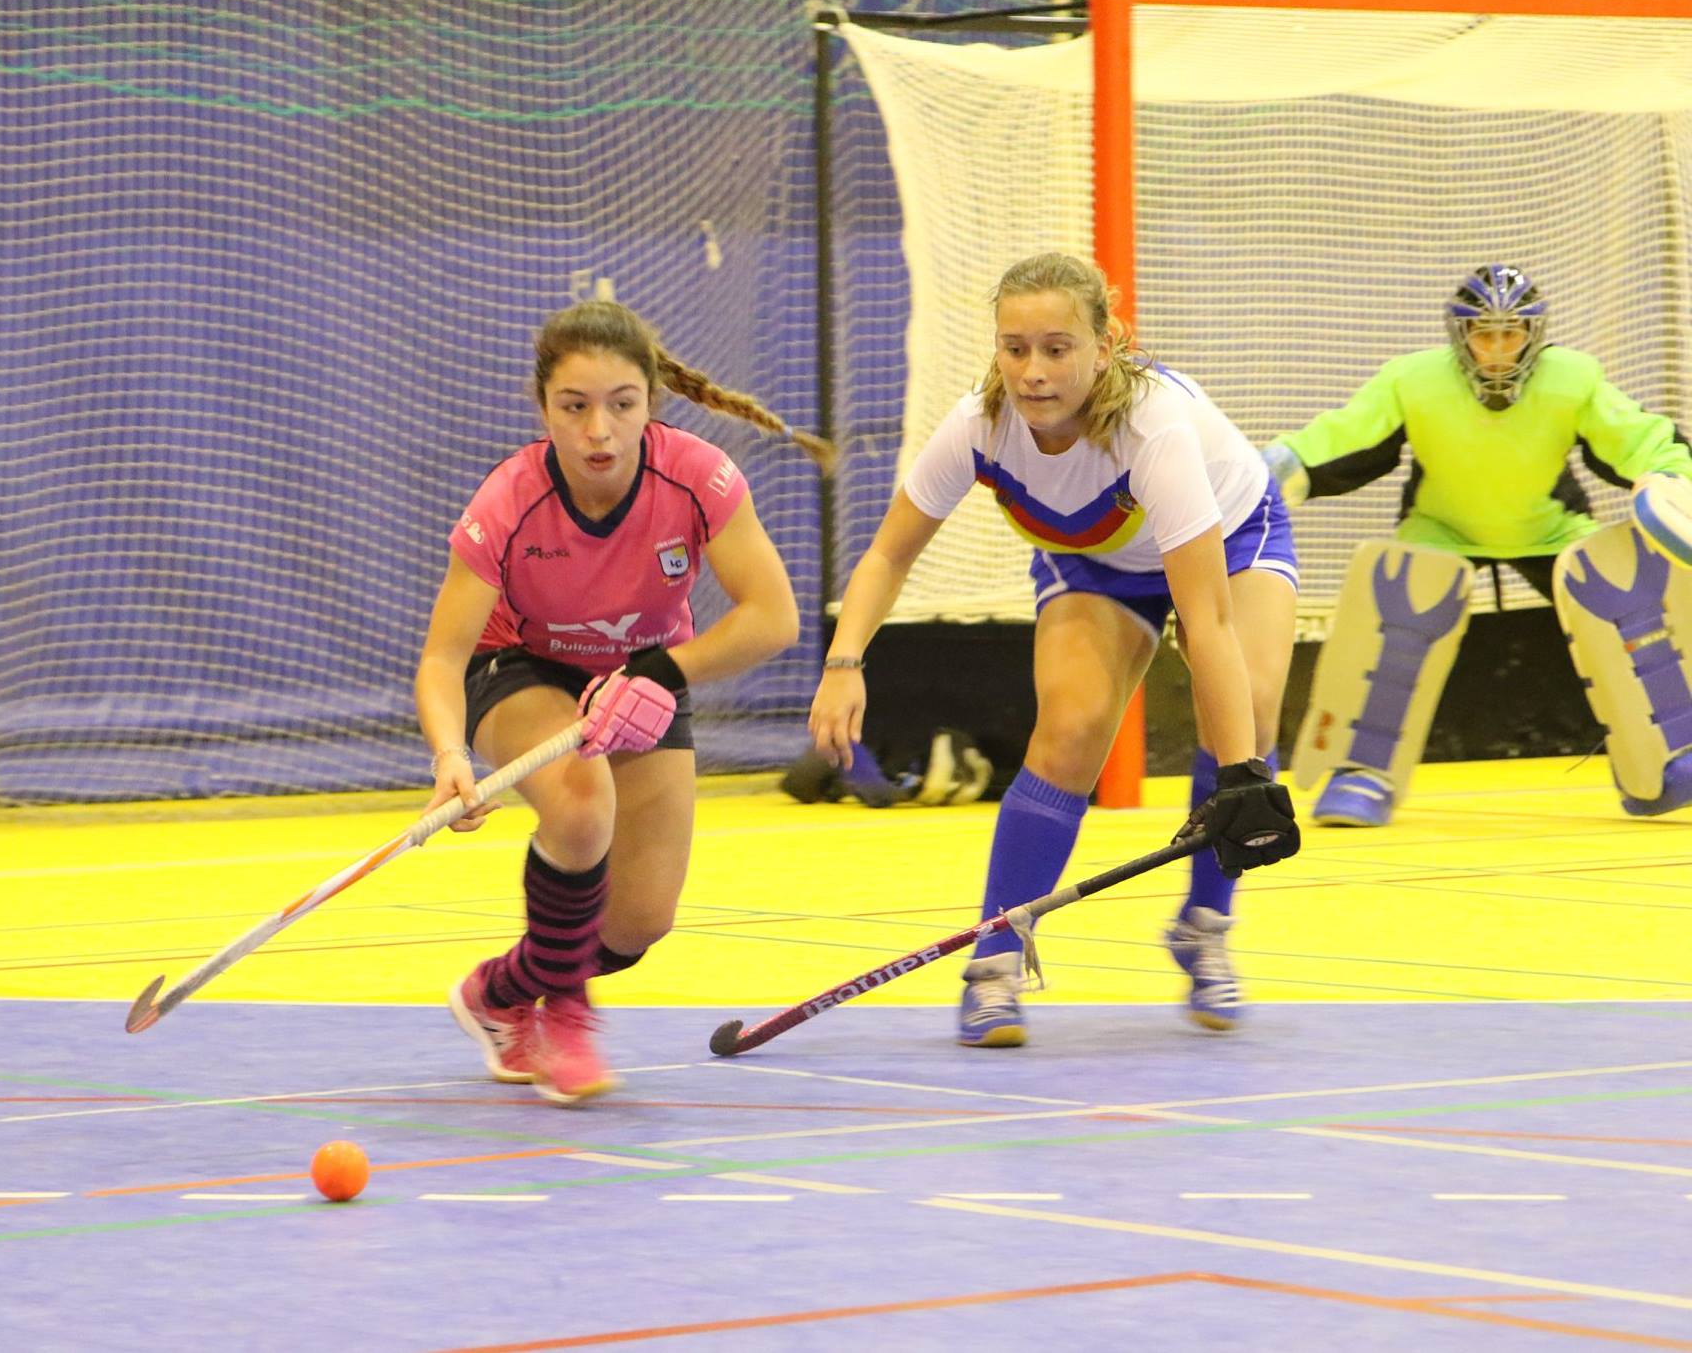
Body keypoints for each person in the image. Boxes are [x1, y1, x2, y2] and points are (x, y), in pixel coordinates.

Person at [809, 251, 1300, 1047]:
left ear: (1104, 347)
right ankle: (994, 963)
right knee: (1069, 732)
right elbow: (887, 555)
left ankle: (1205, 923)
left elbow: (1204, 621)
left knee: (1246, 705)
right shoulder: (978, 425)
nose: (1032, 371)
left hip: (1232, 539)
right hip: (1094, 561)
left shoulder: (1155, 429)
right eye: (1015, 347)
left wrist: (1244, 776)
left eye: (1057, 348)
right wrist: (844, 664)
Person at [415, 300, 820, 1105]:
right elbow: (442, 656)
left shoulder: (699, 478)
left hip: (644, 674)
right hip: (521, 666)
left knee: (637, 919)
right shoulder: (507, 502)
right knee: (580, 804)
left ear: (650, 403)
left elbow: (774, 618)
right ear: (544, 411)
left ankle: (499, 991)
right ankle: (565, 1012)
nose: (599, 429)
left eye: (621, 405)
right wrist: (450, 757)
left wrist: (662, 673)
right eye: (575, 407)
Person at [1265, 264, 1692, 825]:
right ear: (1460, 335)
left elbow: (1638, 437)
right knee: (1402, 602)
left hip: (1551, 527)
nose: (1496, 348)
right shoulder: (1413, 379)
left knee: (1623, 592)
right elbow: (1345, 436)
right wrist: (1274, 470)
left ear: (1533, 334)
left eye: (1510, 333)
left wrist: (1668, 475)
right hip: (1440, 527)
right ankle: (1362, 772)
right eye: (1483, 334)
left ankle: (1672, 757)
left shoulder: (1574, 378)